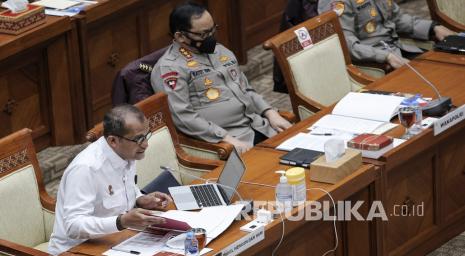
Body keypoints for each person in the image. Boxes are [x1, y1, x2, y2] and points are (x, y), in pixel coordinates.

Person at [150, 1, 292, 154]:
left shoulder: (221, 51)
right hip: (230, 141)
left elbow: (246, 89)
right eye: (203, 34)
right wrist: (225, 138)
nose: (211, 37)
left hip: (260, 126)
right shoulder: (171, 68)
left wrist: (270, 112)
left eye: (213, 30)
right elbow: (182, 117)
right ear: (180, 36)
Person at [48, 105, 172, 256]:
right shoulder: (86, 169)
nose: (145, 144)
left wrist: (140, 199)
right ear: (113, 140)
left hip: (116, 241)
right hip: (75, 252)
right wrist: (121, 221)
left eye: (146, 136)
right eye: (139, 139)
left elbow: (124, 187)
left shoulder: (126, 152)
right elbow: (73, 226)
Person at [318, 0, 455, 69]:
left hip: (398, 49)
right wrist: (385, 56)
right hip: (374, 63)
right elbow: (347, 45)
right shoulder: (335, 2)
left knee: (449, 66)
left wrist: (433, 28)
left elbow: (397, 18)